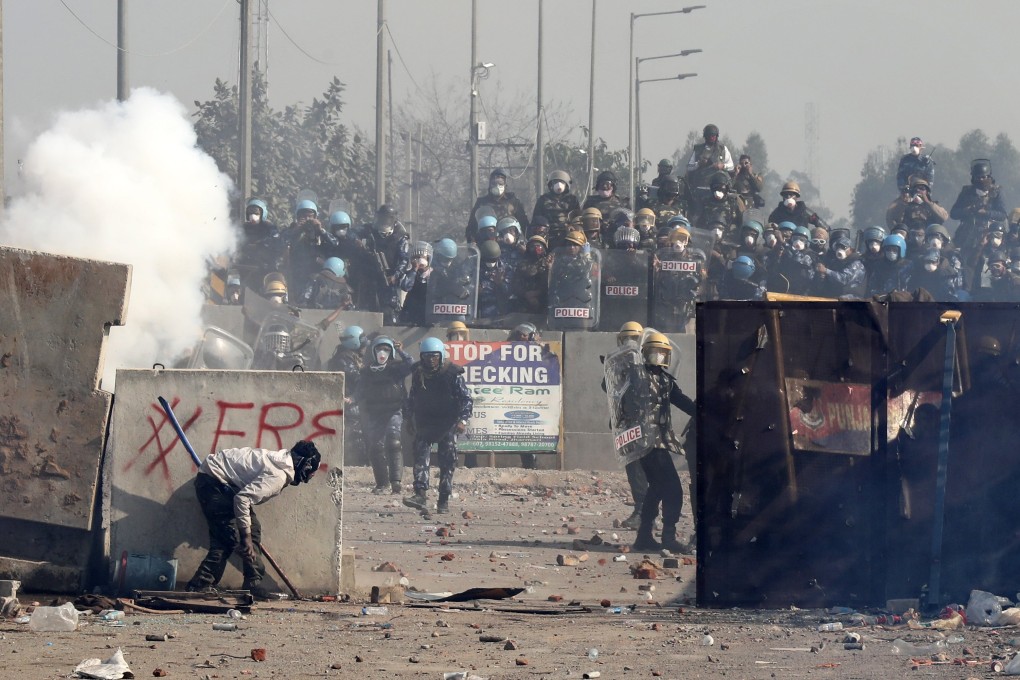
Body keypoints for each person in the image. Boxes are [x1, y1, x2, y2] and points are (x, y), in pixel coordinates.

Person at [186, 441, 321, 597]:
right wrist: (245, 537)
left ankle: (253, 583)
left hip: (222, 482)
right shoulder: (278, 475)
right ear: (305, 466)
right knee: (228, 537)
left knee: (253, 528)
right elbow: (242, 499)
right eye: (310, 474)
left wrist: (249, 534)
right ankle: (200, 584)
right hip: (214, 483)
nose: (307, 479)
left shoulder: (279, 461)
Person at [621, 332, 696, 552]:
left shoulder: (665, 380)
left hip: (660, 441)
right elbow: (610, 386)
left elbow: (684, 402)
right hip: (645, 441)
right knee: (673, 488)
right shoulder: (636, 376)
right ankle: (668, 537)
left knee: (657, 487)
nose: (658, 357)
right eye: (655, 352)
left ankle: (644, 536)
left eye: (662, 353)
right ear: (645, 353)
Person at [403, 337, 473, 514]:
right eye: (427, 357)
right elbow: (412, 398)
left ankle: (443, 499)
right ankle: (420, 495)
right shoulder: (418, 373)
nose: (431, 360)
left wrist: (462, 420)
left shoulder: (452, 374)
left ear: (441, 356)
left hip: (448, 423)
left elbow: (466, 399)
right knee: (420, 459)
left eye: (434, 356)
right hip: (425, 422)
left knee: (447, 463)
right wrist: (408, 419)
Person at [355, 336, 413, 494]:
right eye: (379, 349)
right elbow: (360, 390)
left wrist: (401, 350)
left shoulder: (396, 368)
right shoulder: (367, 371)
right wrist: (351, 399)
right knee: (375, 447)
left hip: (394, 410)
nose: (382, 352)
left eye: (387, 349)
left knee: (394, 442)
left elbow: (411, 365)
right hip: (375, 413)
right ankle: (382, 483)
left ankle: (396, 482)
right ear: (373, 352)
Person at [359, 204, 410, 320]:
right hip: (369, 278)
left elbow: (404, 260)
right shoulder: (369, 231)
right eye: (382, 218)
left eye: (387, 218)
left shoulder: (400, 237)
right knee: (366, 311)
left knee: (389, 311)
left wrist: (395, 275)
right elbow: (351, 234)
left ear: (393, 219)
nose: (384, 221)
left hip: (388, 280)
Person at [950, 159, 1008, 258]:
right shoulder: (967, 192)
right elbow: (953, 213)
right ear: (973, 178)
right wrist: (966, 211)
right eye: (978, 177)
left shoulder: (996, 192)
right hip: (968, 233)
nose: (981, 180)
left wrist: (986, 213)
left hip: (989, 233)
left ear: (989, 176)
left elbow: (1002, 215)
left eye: (983, 177)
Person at [234, 198, 286, 300]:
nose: (253, 216)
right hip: (246, 265)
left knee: (274, 291)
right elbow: (236, 241)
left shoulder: (269, 227)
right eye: (250, 213)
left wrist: (260, 244)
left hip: (266, 266)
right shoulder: (244, 228)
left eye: (256, 213)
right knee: (233, 279)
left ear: (263, 213)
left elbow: (276, 241)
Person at [286, 199, 339, 298]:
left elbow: (335, 244)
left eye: (310, 216)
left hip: (316, 271)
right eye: (304, 216)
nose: (307, 219)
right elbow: (283, 242)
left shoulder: (319, 232)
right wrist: (297, 230)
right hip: (297, 270)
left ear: (315, 217)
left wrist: (321, 231)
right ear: (297, 217)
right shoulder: (292, 230)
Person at [466, 168, 530, 243]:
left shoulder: (513, 202)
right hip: (487, 243)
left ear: (505, 185)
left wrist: (531, 242)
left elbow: (525, 225)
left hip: (509, 243)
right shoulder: (482, 203)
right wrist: (472, 241)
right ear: (490, 185)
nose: (497, 186)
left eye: (500, 183)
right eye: (494, 183)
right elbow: (472, 226)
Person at [532, 170, 580, 248]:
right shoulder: (543, 199)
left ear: (567, 184)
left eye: (562, 182)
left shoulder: (572, 200)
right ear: (551, 184)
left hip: (568, 237)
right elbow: (536, 219)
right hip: (548, 236)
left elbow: (577, 219)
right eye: (556, 182)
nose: (559, 184)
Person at [814, 233, 866, 298]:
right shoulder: (840, 262)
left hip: (853, 298)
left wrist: (826, 271)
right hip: (839, 297)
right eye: (837, 248)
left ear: (851, 249)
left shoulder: (856, 263)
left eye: (843, 247)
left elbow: (843, 279)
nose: (839, 250)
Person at [685, 123, 734, 191]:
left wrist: (722, 166)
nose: (711, 138)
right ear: (705, 136)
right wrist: (699, 164)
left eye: (713, 136)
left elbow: (731, 166)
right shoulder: (698, 150)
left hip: (719, 186)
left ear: (716, 136)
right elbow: (689, 167)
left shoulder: (723, 149)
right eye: (709, 136)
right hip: (701, 186)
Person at [512, 235, 551, 314]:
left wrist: (537, 293)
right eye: (532, 246)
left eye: (538, 246)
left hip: (544, 301)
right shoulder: (522, 264)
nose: (535, 248)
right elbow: (515, 283)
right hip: (524, 301)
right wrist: (525, 294)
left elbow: (552, 284)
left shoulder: (549, 263)